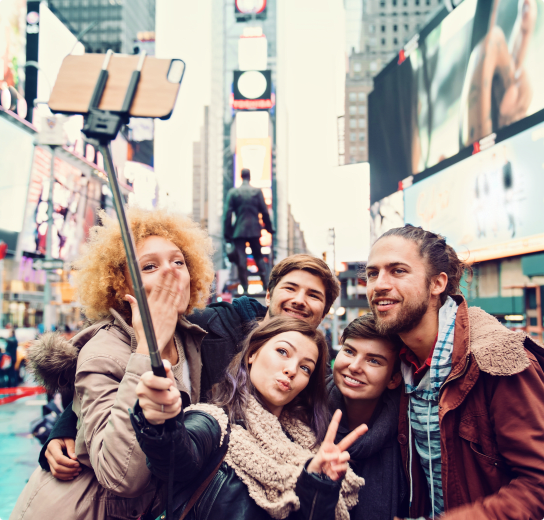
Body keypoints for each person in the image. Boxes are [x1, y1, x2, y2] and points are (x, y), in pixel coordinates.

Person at [39, 254, 341, 480]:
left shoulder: (320, 380)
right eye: (291, 288)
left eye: (314, 295)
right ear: (269, 295)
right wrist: (66, 425)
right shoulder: (213, 323)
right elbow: (130, 350)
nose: (299, 300)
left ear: (324, 312)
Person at [11, 206, 215, 520]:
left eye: (179, 261)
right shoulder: (103, 351)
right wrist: (147, 349)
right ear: (122, 286)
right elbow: (121, 477)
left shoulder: (193, 337)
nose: (171, 271)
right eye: (149, 266)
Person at [364, 224, 544, 520]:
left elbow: (538, 486)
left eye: (398, 271)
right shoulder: (397, 363)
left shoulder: (500, 359)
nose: (379, 285)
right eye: (373, 273)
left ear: (437, 284)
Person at [132, 317, 367, 520]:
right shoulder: (214, 422)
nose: (292, 370)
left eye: (306, 368)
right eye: (283, 352)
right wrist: (162, 422)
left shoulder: (309, 446)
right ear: (253, 353)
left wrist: (318, 483)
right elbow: (175, 457)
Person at [328, 313, 408, 520]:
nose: (354, 367)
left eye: (373, 360)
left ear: (393, 379)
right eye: (349, 351)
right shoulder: (304, 411)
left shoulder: (407, 434)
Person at [223, 167, 274, 292]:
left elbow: (227, 215)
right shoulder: (257, 192)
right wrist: (269, 228)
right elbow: (264, 212)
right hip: (254, 230)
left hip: (238, 231)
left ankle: (245, 289)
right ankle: (265, 286)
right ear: (249, 177)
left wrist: (227, 233)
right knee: (259, 258)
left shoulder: (233, 192)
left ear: (241, 177)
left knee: (241, 260)